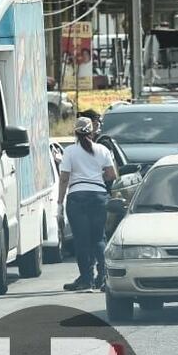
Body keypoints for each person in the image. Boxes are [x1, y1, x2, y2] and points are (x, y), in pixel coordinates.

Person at [58, 116, 117, 292]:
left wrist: (60, 203)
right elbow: (112, 175)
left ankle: (86, 280)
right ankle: (104, 277)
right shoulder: (102, 149)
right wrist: (97, 178)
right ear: (92, 131)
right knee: (98, 238)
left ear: (75, 132)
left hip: (77, 197)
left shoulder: (70, 151)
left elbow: (64, 179)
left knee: (82, 240)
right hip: (99, 196)